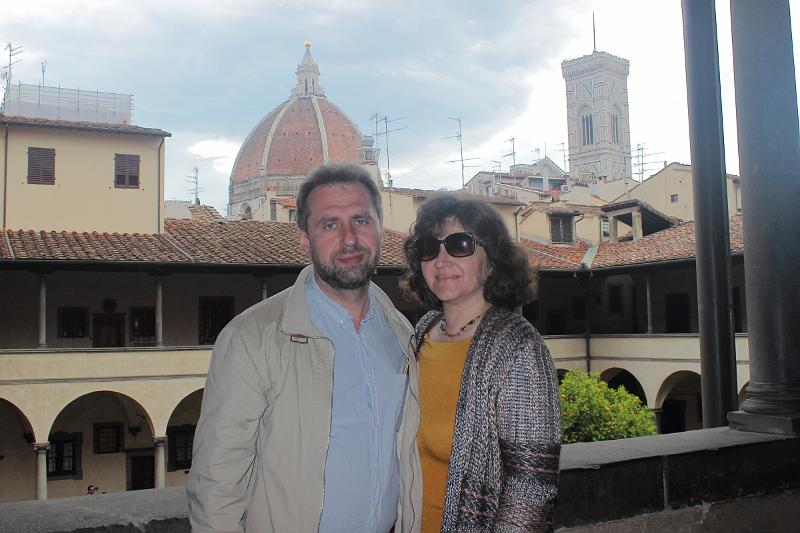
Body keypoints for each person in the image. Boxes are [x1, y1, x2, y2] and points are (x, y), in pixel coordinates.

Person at [187, 162, 421, 533]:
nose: (349, 238)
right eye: (329, 224)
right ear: (304, 239)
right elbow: (217, 480)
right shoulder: (251, 337)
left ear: (379, 229)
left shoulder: (401, 334)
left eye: (361, 220)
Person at [402, 195, 561, 532]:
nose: (441, 260)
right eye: (430, 247)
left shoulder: (519, 348)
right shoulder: (422, 333)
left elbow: (531, 490)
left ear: (492, 263)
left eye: (460, 244)